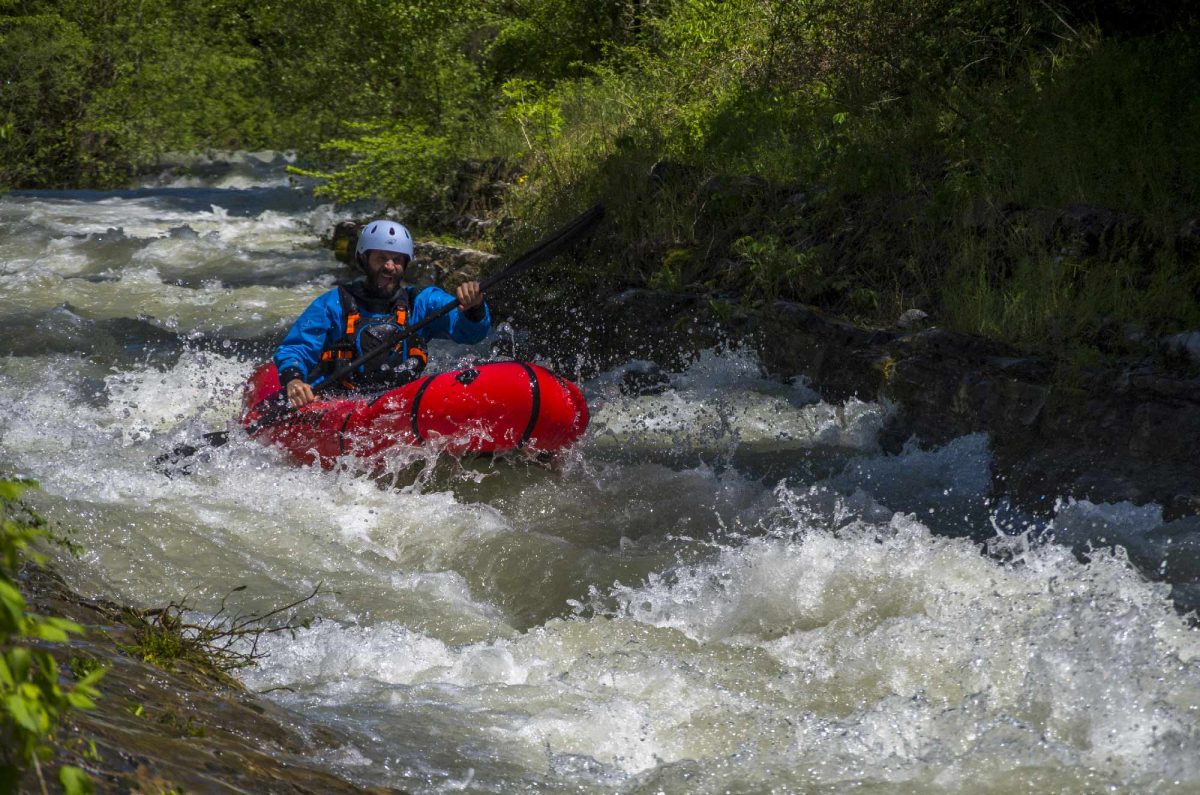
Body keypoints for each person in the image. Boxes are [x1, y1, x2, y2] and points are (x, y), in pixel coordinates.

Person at [275, 219, 490, 408]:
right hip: (341, 400)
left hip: (402, 400)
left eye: (397, 260)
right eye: (381, 258)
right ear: (364, 259)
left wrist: (475, 308)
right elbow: (297, 348)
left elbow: (470, 334)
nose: (389, 266)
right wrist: (293, 380)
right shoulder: (334, 303)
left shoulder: (421, 302)